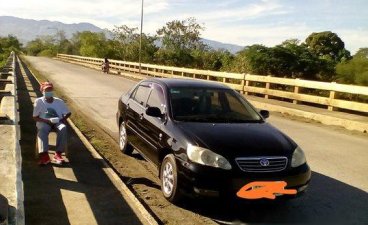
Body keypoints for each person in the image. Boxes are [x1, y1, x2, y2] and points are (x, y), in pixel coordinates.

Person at [33, 82, 71, 165]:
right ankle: (44, 155)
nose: (49, 91)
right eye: (46, 90)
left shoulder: (59, 101)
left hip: (57, 122)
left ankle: (58, 153)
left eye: (50, 89)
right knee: (42, 129)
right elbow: (35, 117)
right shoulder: (38, 101)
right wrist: (46, 121)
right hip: (44, 122)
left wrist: (63, 119)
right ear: (42, 91)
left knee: (63, 128)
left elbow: (68, 113)